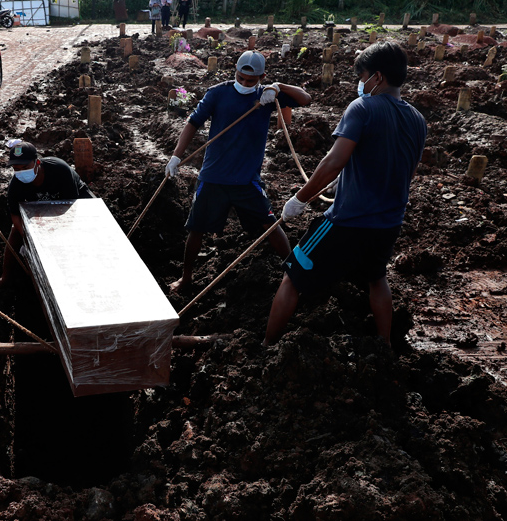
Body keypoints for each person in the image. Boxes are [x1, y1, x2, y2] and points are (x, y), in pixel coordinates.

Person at [264, 42, 427, 348]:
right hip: (389, 223)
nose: (360, 83)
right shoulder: (418, 119)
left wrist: (300, 199)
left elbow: (333, 162)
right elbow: (405, 171)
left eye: (362, 75)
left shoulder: (362, 108)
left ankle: (267, 345)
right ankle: (384, 347)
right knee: (377, 279)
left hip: (347, 221)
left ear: (377, 76)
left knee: (293, 275)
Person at [165, 50, 312, 293]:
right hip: (214, 177)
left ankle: (295, 274)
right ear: (235, 71)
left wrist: (278, 87)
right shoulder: (218, 93)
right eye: (241, 78)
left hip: (246, 180)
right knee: (197, 228)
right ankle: (187, 278)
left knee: (271, 226)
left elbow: (306, 99)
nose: (244, 84)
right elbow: (193, 122)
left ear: (262, 77)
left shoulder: (267, 96)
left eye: (251, 81)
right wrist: (176, 156)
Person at [0, 141, 95, 288]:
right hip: (39, 204)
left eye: (25, 167)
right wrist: (28, 240)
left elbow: (71, 209)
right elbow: (15, 216)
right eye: (16, 168)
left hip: (72, 200)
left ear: (37, 162)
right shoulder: (16, 184)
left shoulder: (60, 170)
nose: (21, 172)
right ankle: (5, 278)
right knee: (15, 231)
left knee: (88, 225)